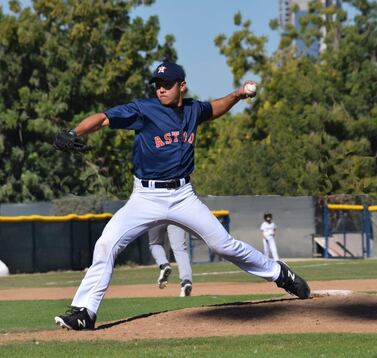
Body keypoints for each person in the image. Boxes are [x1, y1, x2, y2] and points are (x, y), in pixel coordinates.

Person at [54, 61, 310, 331]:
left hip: (183, 195)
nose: (161, 89)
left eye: (166, 85)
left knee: (223, 245)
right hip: (145, 197)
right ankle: (85, 312)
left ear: (181, 86)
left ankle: (280, 273)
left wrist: (236, 95)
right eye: (157, 85)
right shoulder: (143, 110)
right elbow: (104, 118)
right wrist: (74, 132)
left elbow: (213, 109)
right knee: (107, 244)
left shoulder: (192, 109)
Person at [148, 224, 193, 297]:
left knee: (155, 244)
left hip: (156, 216)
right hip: (175, 215)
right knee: (180, 250)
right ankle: (186, 281)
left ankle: (164, 265)